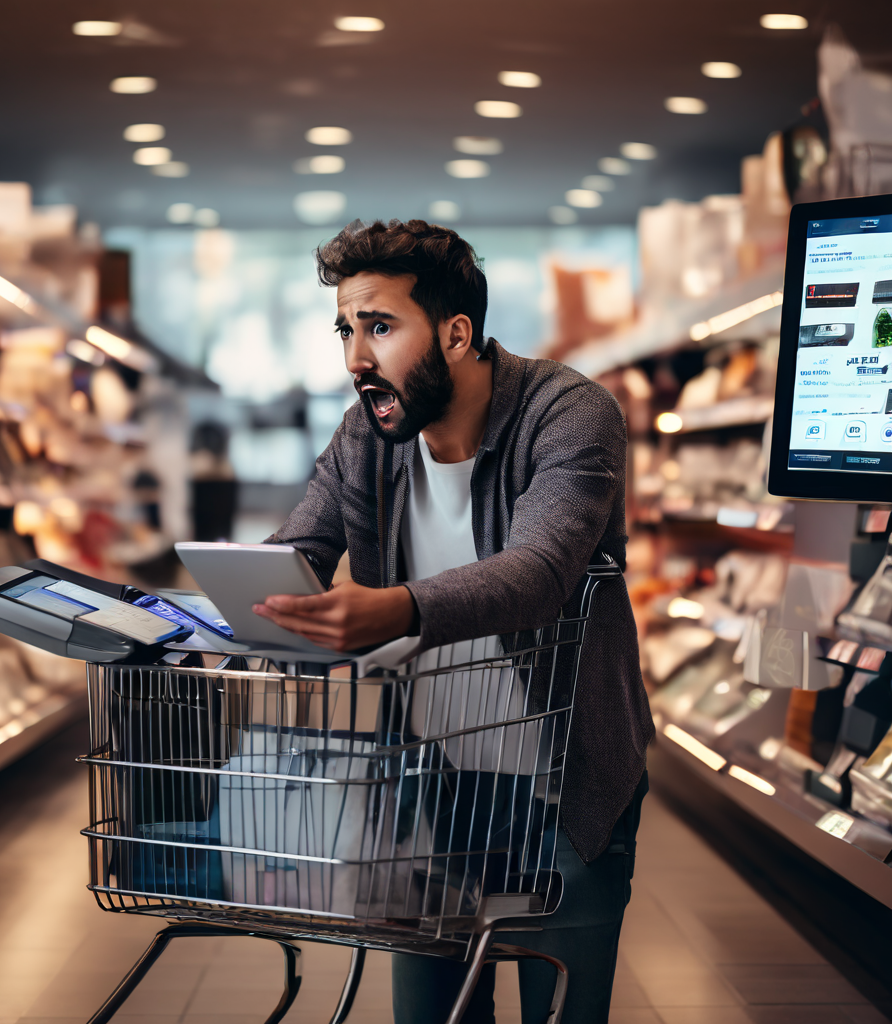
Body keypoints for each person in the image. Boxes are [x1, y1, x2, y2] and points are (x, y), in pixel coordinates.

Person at [253, 219, 654, 1024]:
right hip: (428, 786)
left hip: (563, 790)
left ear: (456, 332)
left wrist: (393, 609)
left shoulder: (569, 415)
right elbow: (298, 545)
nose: (355, 359)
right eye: (346, 330)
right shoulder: (369, 437)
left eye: (379, 327)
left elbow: (538, 573)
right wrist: (234, 606)